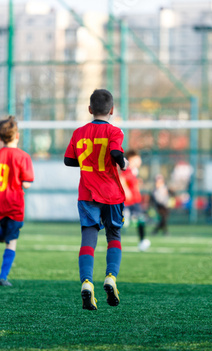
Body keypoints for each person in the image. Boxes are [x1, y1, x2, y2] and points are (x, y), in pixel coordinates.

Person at [64, 89, 129, 311]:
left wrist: (88, 162)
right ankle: (110, 277)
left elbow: (68, 160)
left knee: (88, 236)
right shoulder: (115, 131)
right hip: (111, 193)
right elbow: (114, 153)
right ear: (112, 110)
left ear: (90, 109)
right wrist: (122, 162)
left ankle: (86, 282)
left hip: (87, 193)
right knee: (114, 235)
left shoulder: (79, 132)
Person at [0, 116, 34, 287]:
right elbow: (27, 183)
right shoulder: (23, 157)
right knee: (11, 241)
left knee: (1, 229)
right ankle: (3, 276)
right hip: (14, 205)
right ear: (17, 136)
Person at [120, 150, 149, 251]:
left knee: (141, 220)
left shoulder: (134, 171)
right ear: (131, 159)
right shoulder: (126, 169)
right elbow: (121, 178)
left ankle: (142, 241)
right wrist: (126, 190)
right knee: (123, 222)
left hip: (136, 200)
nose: (139, 160)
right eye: (137, 158)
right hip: (128, 201)